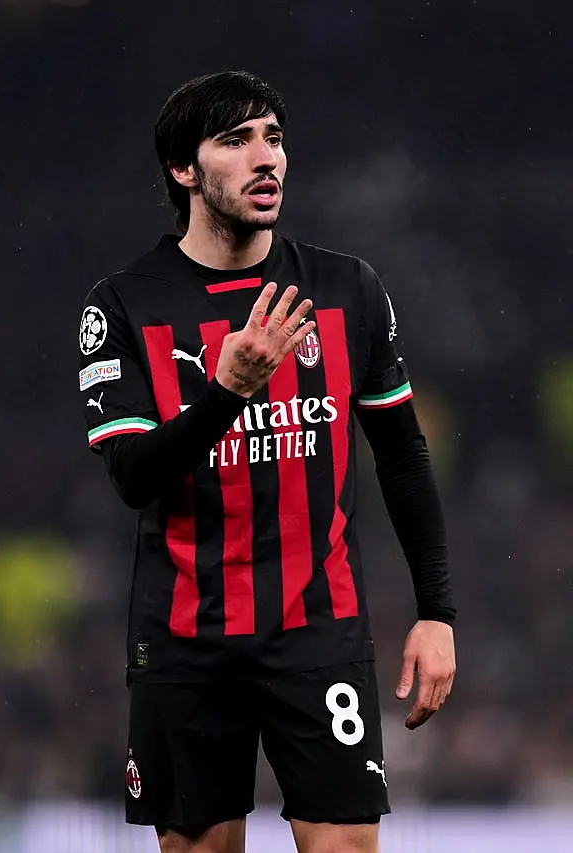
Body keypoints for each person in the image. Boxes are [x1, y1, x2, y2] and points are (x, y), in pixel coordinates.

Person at [78, 70, 456, 853]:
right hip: (187, 639)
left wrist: (437, 612)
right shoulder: (122, 306)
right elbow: (133, 476)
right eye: (236, 139)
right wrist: (224, 394)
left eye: (274, 138)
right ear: (185, 169)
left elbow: (403, 457)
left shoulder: (347, 288)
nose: (266, 159)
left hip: (318, 628)